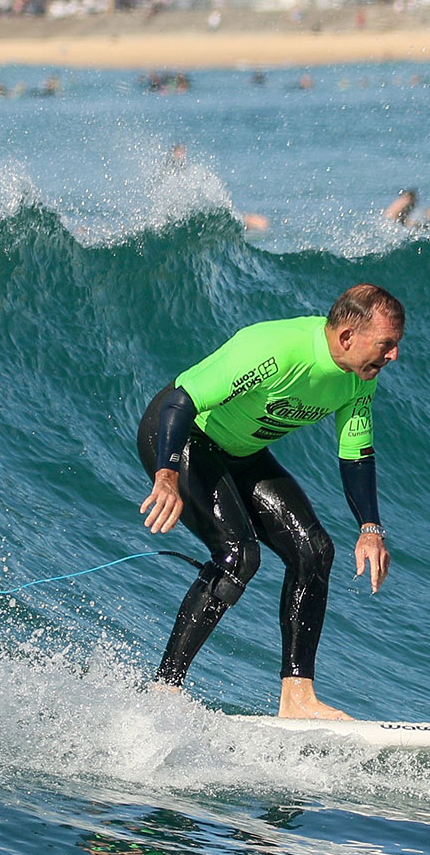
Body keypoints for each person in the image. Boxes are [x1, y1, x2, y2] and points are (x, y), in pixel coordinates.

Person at [137, 285, 404, 718]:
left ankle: (297, 698)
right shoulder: (276, 349)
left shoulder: (359, 378)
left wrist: (370, 529)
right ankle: (164, 690)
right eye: (386, 344)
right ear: (348, 337)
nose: (393, 356)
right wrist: (166, 476)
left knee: (314, 551)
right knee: (238, 555)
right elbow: (180, 401)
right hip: (184, 437)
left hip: (241, 452)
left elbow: (356, 454)